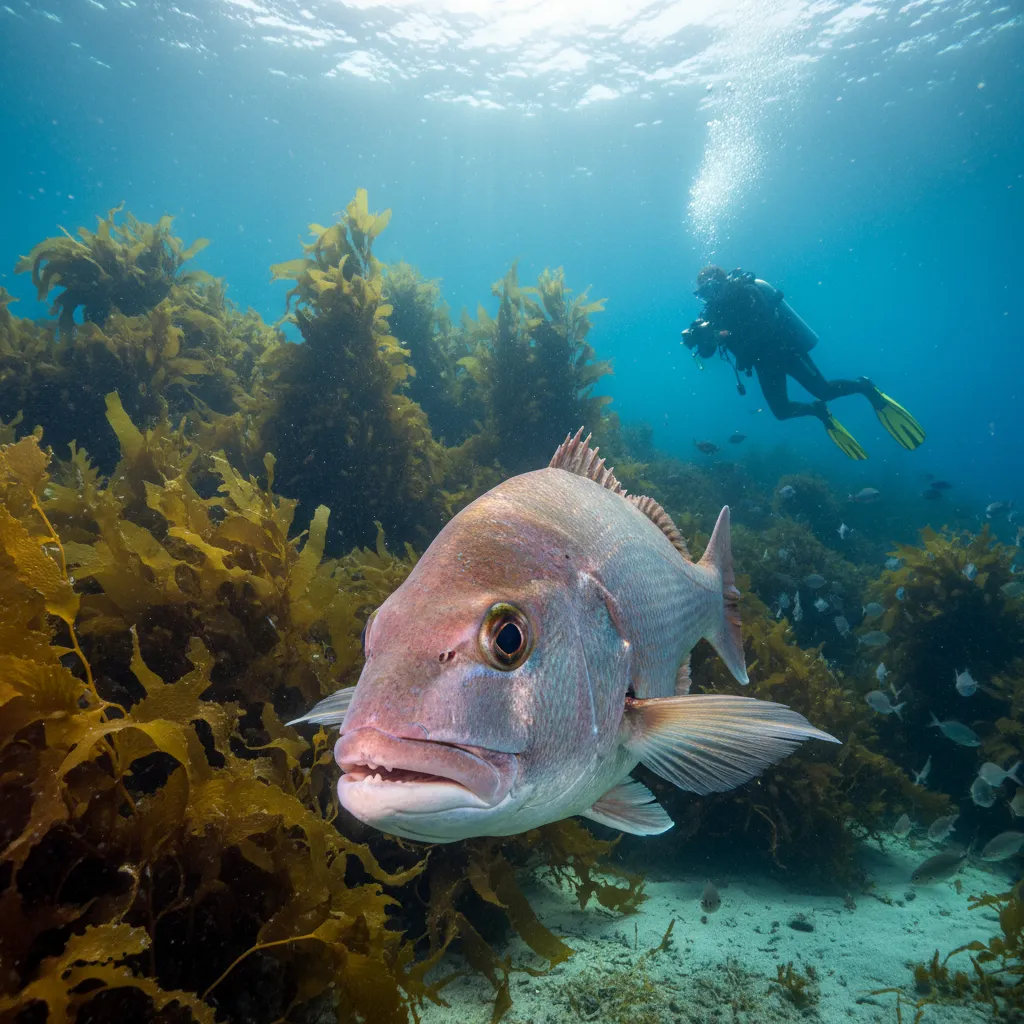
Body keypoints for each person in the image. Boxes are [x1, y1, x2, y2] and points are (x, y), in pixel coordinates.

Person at [681, 265, 925, 459]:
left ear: (724, 283)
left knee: (825, 390)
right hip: (763, 364)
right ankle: (817, 411)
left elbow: (764, 326)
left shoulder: (747, 293)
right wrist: (700, 342)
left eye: (715, 288)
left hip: (786, 352)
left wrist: (726, 334)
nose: (712, 296)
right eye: (705, 293)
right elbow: (708, 354)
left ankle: (865, 387)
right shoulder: (711, 314)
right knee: (781, 411)